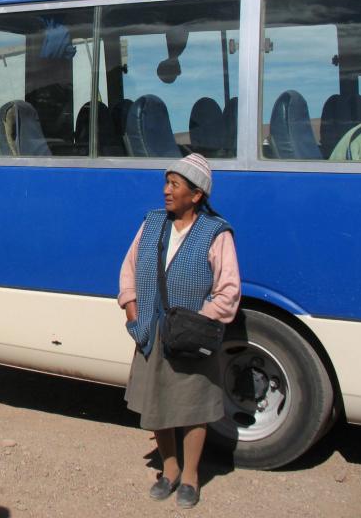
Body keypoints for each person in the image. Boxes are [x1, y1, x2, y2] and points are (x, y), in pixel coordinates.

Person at [117, 153, 240, 509]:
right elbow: (128, 269)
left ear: (196, 194)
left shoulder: (216, 233)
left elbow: (229, 289)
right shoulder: (153, 223)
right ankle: (169, 469)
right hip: (151, 332)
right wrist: (133, 312)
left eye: (175, 185)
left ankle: (191, 476)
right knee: (157, 404)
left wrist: (197, 322)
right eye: (166, 183)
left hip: (190, 339)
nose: (166, 191)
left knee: (192, 408)